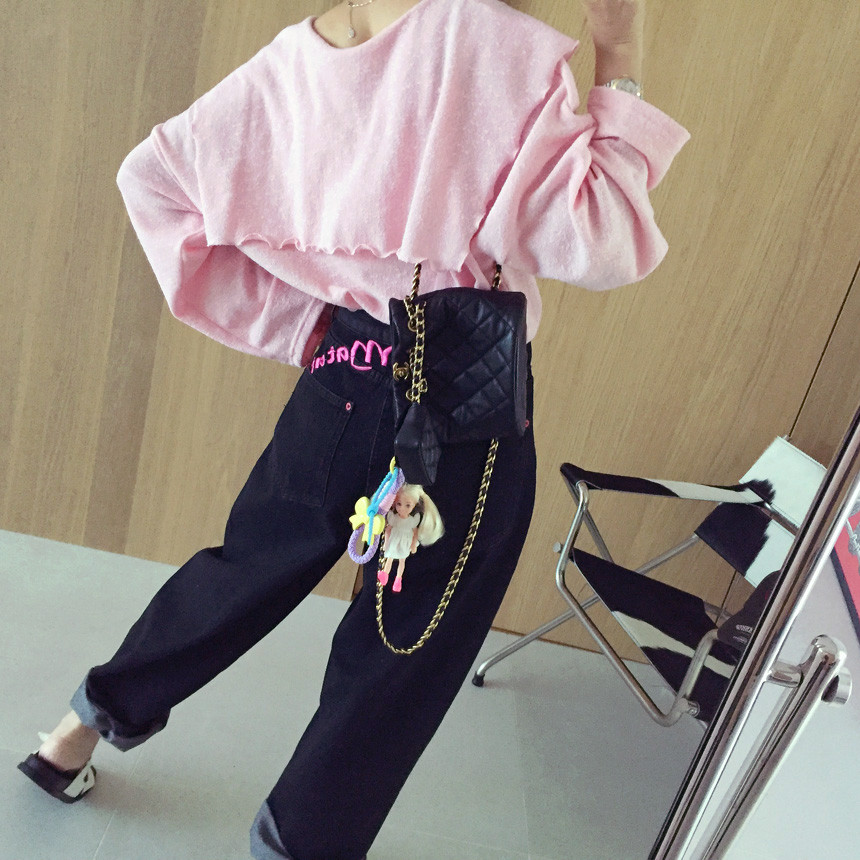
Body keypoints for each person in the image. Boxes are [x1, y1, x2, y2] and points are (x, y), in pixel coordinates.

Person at [18, 1, 689, 857]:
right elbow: (601, 242)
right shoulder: (492, 42)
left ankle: (75, 731)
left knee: (245, 567)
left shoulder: (299, 55)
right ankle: (299, 844)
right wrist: (619, 53)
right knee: (402, 650)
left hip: (341, 375)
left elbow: (154, 180)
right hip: (461, 407)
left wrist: (305, 326)